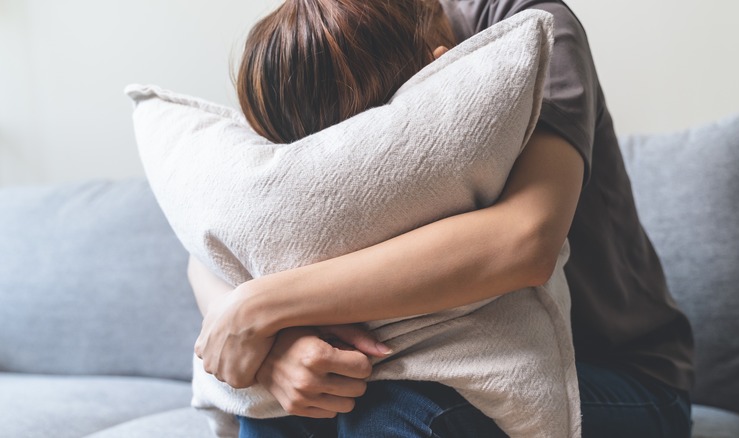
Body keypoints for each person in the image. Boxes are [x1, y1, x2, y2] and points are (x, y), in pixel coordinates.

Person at [189, 0, 695, 436]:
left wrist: (262, 307)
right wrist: (273, 346)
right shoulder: (310, 47)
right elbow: (220, 238)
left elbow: (525, 239)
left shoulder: (525, 26)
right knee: (281, 407)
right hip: (408, 360)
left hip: (617, 373)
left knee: (402, 406)